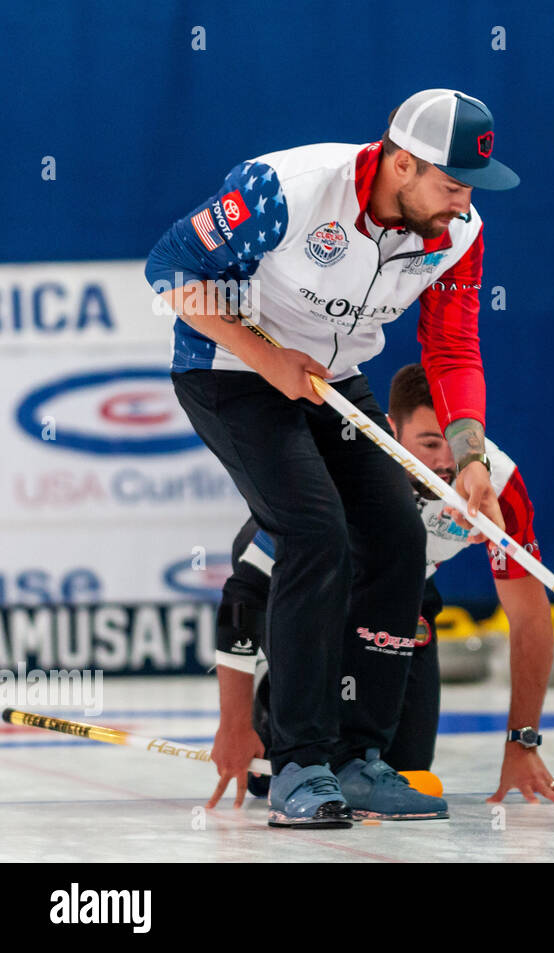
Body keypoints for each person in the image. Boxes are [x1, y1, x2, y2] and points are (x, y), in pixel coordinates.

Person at [146, 89, 518, 827]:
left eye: (469, 189)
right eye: (448, 185)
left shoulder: (458, 231)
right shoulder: (286, 189)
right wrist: (265, 355)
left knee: (397, 536)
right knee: (315, 529)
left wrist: (470, 452)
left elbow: (450, 348)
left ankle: (358, 757)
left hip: (333, 381)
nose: (460, 204)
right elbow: (170, 270)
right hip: (229, 371)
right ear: (401, 163)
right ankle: (299, 764)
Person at [207, 364, 554, 811]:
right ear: (390, 430)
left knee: (405, 767)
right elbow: (245, 596)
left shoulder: (496, 484)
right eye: (428, 444)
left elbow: (529, 618)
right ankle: (278, 702)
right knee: (296, 758)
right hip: (314, 593)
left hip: (403, 600)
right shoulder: (349, 467)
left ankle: (343, 748)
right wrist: (235, 722)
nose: (443, 465)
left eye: (455, 446)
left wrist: (522, 743)